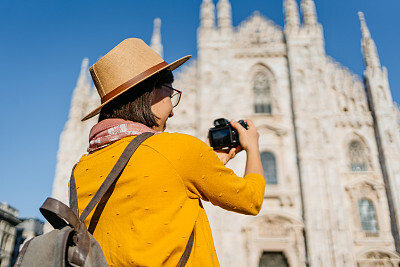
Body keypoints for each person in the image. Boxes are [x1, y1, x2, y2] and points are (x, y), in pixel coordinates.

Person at [73, 38, 265, 266]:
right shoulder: (178, 148)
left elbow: (155, 194)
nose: (172, 112)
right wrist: (253, 148)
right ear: (150, 93)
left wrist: (208, 161)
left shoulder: (81, 170)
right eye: (171, 92)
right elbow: (250, 200)